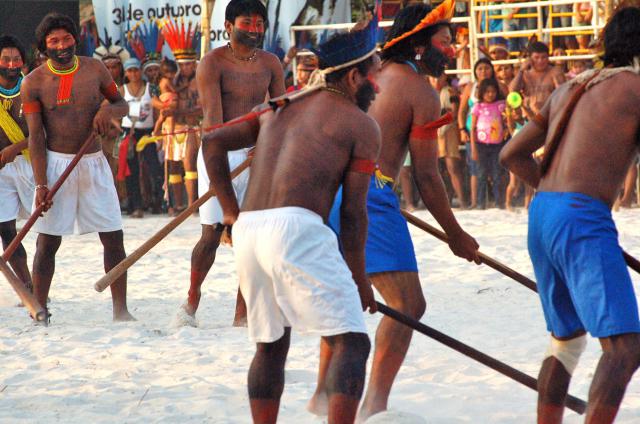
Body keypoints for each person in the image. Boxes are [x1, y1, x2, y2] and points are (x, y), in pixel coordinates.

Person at [203, 19, 382, 423]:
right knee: (352, 343)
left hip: (250, 229)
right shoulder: (361, 124)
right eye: (374, 76)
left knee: (270, 344)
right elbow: (353, 215)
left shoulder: (275, 108)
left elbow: (212, 141)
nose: (379, 88)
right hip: (296, 228)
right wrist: (359, 279)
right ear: (354, 77)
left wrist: (231, 213)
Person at [309, 2, 480, 421]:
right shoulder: (420, 89)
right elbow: (426, 175)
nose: (453, 49)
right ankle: (374, 404)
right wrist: (456, 234)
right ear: (421, 45)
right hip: (369, 192)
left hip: (332, 189)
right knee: (407, 303)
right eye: (446, 40)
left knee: (346, 295)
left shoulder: (373, 72)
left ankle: (322, 396)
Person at [499, 7, 640, 423]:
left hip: (543, 211)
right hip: (580, 215)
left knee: (566, 341)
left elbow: (511, 154)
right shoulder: (635, 88)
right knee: (626, 347)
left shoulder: (570, 86)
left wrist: (554, 197)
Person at [22, 13, 134, 322]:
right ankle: (39, 309)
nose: (62, 46)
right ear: (44, 47)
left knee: (113, 238)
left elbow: (122, 104)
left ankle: (120, 310)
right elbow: (36, 137)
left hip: (94, 163)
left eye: (67, 38)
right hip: (55, 165)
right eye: (54, 41)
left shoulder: (95, 69)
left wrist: (108, 109)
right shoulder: (32, 82)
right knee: (47, 242)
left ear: (76, 39)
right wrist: (42, 184)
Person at [179, 0, 285, 326]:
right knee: (212, 233)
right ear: (228, 26)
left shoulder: (271, 63)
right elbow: (213, 124)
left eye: (259, 24)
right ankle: (192, 297)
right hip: (218, 150)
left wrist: (266, 145)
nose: (254, 30)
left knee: (251, 237)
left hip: (259, 153)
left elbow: (279, 110)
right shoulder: (212, 63)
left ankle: (242, 314)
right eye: (247, 23)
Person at [0, 35, 33, 293]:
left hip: (33, 164)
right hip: (1, 171)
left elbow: (45, 132)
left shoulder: (33, 87)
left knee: (48, 228)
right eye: (5, 59)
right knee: (6, 228)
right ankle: (27, 285)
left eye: (16, 59)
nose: (11, 64)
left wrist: (16, 147)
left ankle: (39, 285)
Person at [161, 18, 202, 210]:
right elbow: (158, 98)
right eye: (182, 64)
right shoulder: (172, 82)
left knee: (190, 166)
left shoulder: (201, 80)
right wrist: (164, 108)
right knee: (174, 168)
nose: (185, 68)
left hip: (193, 127)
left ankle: (192, 206)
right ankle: (177, 206)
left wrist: (177, 110)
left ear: (194, 63)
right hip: (174, 128)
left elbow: (203, 107)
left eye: (188, 64)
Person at [458, 58, 506, 208]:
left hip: (496, 136)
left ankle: (499, 201)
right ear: (475, 71)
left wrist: (506, 128)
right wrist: (462, 130)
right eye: (480, 69)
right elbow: (462, 111)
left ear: (492, 69)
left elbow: (509, 107)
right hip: (474, 134)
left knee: (498, 171)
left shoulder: (499, 86)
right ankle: (475, 202)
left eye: (486, 68)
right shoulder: (470, 87)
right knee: (476, 169)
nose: (483, 71)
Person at [119, 57, 163, 217]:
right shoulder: (122, 90)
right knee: (132, 171)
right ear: (126, 73)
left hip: (147, 133)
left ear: (140, 71)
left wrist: (159, 129)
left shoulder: (150, 88)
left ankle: (156, 202)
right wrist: (119, 128)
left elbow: (157, 107)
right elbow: (107, 108)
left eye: (136, 70)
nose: (134, 74)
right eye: (130, 71)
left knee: (154, 168)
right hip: (129, 134)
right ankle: (136, 206)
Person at [430, 73, 466, 208]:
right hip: (434, 132)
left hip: (448, 130)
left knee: (452, 167)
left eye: (438, 77)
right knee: (439, 169)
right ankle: (445, 201)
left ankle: (462, 201)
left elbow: (454, 113)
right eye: (433, 78)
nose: (436, 80)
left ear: (444, 77)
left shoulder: (450, 91)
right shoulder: (429, 92)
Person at [470, 78, 506, 209]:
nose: (490, 94)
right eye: (487, 92)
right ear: (481, 93)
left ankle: (498, 202)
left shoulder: (501, 105)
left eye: (493, 91)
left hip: (497, 144)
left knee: (497, 174)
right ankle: (480, 203)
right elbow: (473, 128)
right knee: (481, 174)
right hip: (481, 145)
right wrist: (473, 148)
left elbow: (507, 118)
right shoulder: (477, 107)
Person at [509, 41, 565, 117]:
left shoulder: (555, 72)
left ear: (548, 58)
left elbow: (562, 94)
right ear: (530, 58)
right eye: (536, 57)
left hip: (549, 115)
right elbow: (512, 91)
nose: (540, 61)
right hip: (528, 117)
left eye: (543, 57)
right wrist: (521, 70)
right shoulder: (525, 74)